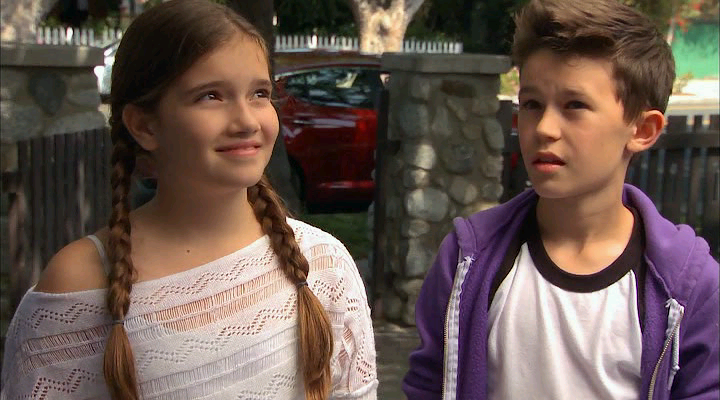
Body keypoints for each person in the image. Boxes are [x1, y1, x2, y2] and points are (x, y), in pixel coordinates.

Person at [1, 1, 377, 399]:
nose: (247, 121)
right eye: (210, 96)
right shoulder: (80, 282)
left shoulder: (322, 265)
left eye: (260, 93)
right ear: (144, 126)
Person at [403, 0, 719, 399]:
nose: (544, 128)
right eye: (532, 104)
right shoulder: (469, 260)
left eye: (574, 106)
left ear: (642, 130)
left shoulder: (688, 286)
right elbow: (429, 384)